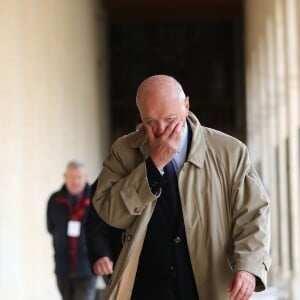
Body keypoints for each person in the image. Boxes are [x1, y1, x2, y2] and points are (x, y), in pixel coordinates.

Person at [92, 75, 271, 300]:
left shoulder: (231, 152)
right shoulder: (123, 151)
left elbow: (254, 213)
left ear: (186, 105)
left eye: (170, 119)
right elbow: (110, 212)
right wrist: (153, 166)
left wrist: (248, 267)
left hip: (208, 285)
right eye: (151, 122)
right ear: (141, 116)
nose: (161, 130)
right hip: (145, 287)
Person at [47, 160, 97, 300]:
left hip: (87, 267)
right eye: (72, 177)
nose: (75, 182)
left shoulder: (94, 199)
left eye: (79, 177)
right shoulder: (54, 200)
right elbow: (51, 228)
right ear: (65, 176)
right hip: (63, 268)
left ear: (86, 178)